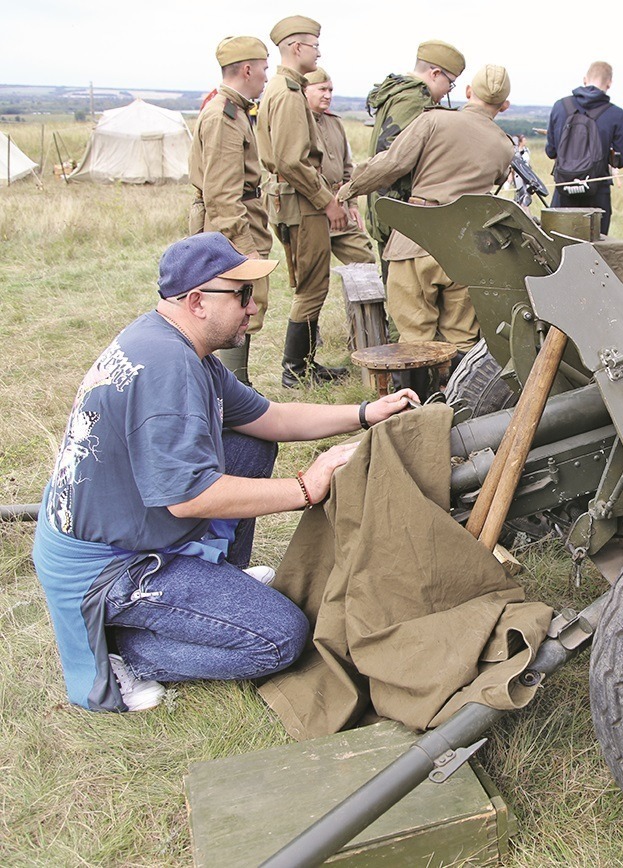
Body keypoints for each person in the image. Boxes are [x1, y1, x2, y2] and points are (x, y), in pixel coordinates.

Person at [31, 233, 419, 712]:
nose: (253, 308)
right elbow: (189, 497)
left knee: (250, 444)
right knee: (280, 638)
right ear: (197, 301)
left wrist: (364, 412)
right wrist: (306, 486)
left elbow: (271, 418)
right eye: (242, 294)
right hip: (109, 567)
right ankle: (124, 649)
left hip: (125, 527)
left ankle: (218, 584)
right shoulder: (168, 370)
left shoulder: (178, 345)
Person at [336, 65, 515, 358]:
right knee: (461, 339)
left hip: (417, 239)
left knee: (414, 340)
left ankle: (414, 389)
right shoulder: (505, 146)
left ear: (468, 91)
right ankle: (457, 387)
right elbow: (496, 178)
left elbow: (392, 164)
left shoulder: (433, 120)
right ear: (504, 105)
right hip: (467, 248)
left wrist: (349, 189)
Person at [256, 15, 350, 388]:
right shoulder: (288, 93)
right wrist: (327, 200)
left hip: (296, 199)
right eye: (314, 46)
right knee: (312, 286)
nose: (318, 52)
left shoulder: (284, 88)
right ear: (297, 48)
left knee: (312, 283)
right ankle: (296, 371)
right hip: (302, 201)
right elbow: (291, 161)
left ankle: (305, 364)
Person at [187, 36, 272, 386]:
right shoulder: (224, 116)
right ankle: (234, 389)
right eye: (264, 69)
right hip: (233, 225)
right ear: (247, 69)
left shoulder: (234, 111)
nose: (266, 77)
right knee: (233, 306)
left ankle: (235, 387)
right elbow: (222, 195)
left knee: (242, 304)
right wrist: (243, 249)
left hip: (241, 219)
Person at [364, 40, 466, 256]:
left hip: (390, 204)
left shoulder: (399, 91)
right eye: (450, 83)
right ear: (435, 74)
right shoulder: (415, 98)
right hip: (400, 208)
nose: (448, 91)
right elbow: (393, 151)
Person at [546, 61, 623, 234]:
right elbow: (621, 160)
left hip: (563, 191)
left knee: (558, 245)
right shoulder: (615, 113)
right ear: (609, 83)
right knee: (595, 248)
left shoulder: (560, 106)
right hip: (597, 195)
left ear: (585, 79)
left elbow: (551, 151)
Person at [304, 67, 376, 268]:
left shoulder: (335, 123)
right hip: (311, 207)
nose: (327, 95)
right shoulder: (299, 124)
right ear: (305, 91)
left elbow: (347, 168)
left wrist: (352, 204)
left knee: (364, 259)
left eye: (330, 90)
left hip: (339, 204)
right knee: (313, 272)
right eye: (322, 89)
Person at [512, 134, 533, 207]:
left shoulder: (526, 150)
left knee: (527, 193)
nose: (525, 141)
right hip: (518, 174)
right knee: (520, 192)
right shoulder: (515, 152)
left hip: (527, 172)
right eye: (524, 140)